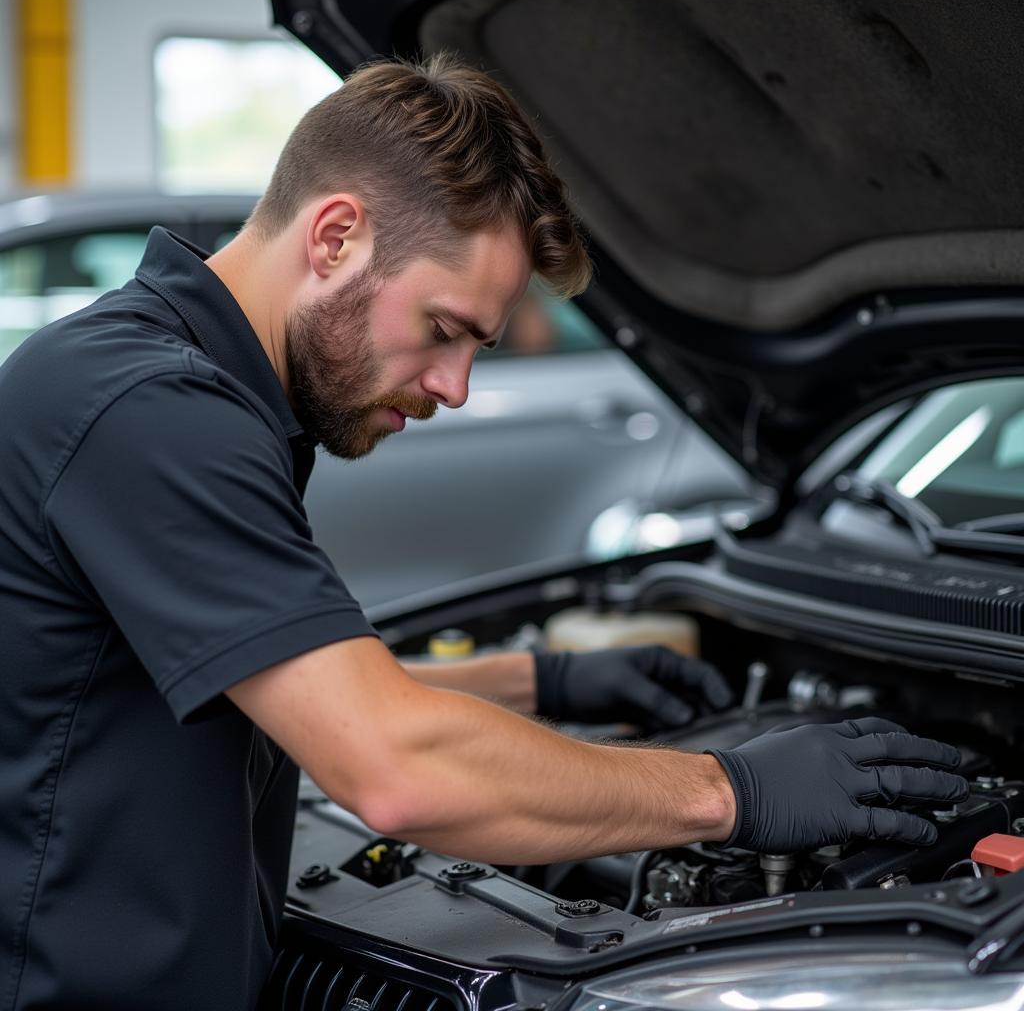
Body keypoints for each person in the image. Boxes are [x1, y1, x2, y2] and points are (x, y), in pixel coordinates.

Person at [0, 56, 967, 1010]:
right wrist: (731, 791)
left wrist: (544, 678)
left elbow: (294, 692)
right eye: (443, 327)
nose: (455, 388)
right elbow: (392, 767)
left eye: (477, 347)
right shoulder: (152, 413)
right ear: (335, 236)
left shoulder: (165, 384)